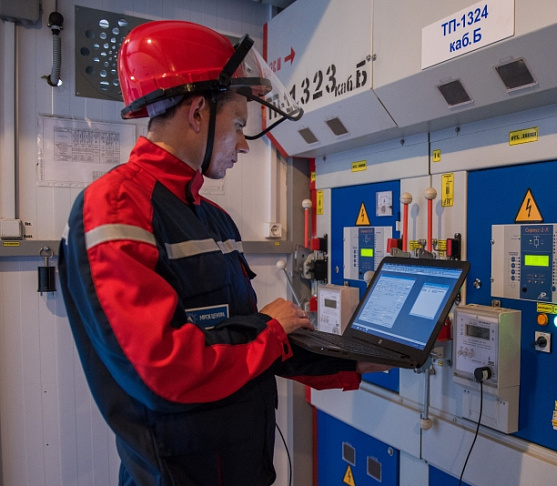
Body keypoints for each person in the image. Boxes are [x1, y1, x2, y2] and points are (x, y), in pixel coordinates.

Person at [58, 20, 387, 486]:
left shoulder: (212, 217)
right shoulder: (114, 207)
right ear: (197, 113)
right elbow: (164, 370)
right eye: (238, 126)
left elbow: (244, 341)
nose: (244, 146)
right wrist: (271, 329)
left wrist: (354, 360)